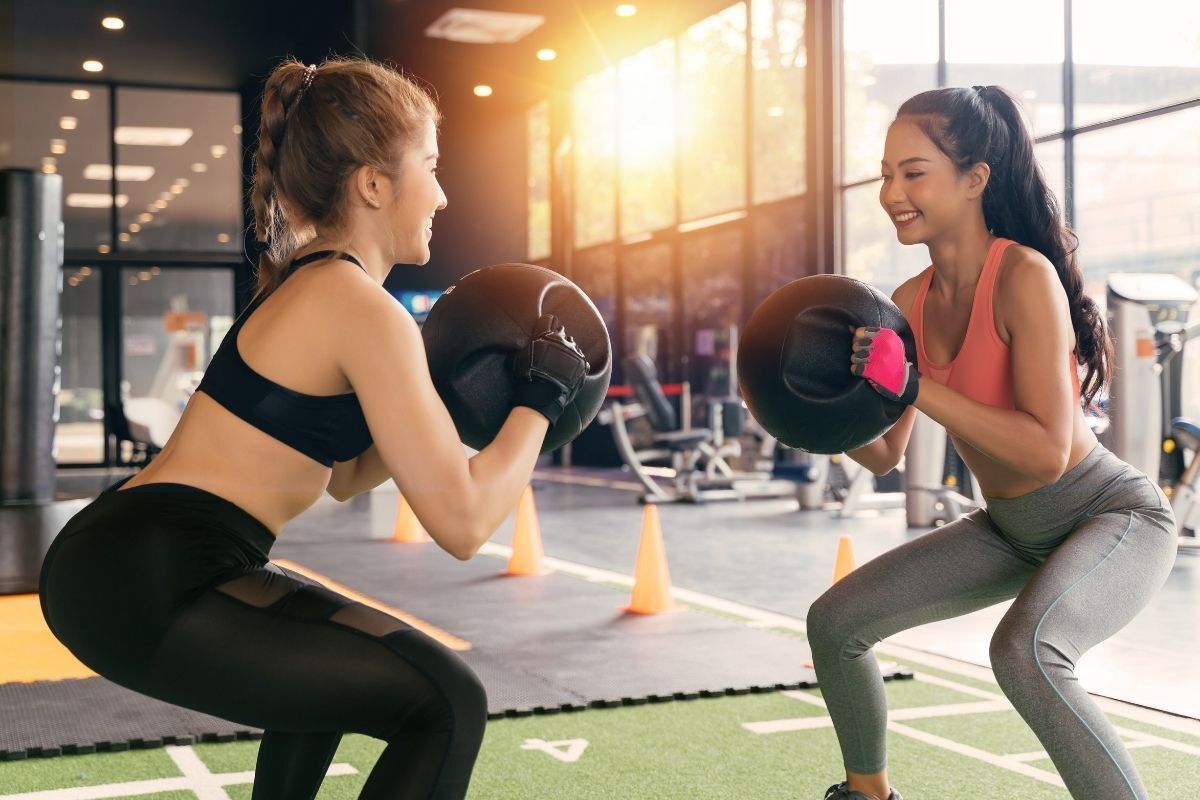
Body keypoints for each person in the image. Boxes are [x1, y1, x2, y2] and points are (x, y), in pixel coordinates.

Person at [39, 56, 589, 800]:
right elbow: (463, 522)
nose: (443, 193)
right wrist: (542, 397)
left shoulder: (316, 282)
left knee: (330, 674)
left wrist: (446, 404)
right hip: (155, 571)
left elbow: (346, 473)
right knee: (446, 703)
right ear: (372, 184)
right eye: (429, 165)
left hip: (129, 559)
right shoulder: (357, 305)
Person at [809, 85, 1177, 800]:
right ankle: (869, 796)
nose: (891, 192)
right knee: (836, 622)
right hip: (1010, 528)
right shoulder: (908, 301)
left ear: (975, 178)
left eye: (913, 173)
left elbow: (1045, 451)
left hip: (1111, 517)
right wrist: (813, 411)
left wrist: (912, 384)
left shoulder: (1023, 277)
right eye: (886, 173)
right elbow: (884, 453)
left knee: (1027, 652)